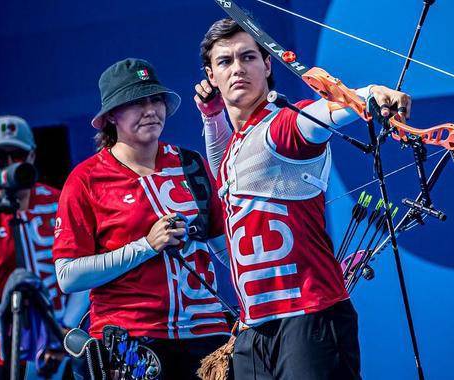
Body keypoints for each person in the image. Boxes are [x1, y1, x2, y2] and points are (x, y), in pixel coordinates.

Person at [194, 18, 413, 379]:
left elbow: (320, 114)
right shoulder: (236, 143)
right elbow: (223, 170)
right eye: (225, 61)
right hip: (252, 329)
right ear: (211, 75)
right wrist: (211, 116)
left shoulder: (283, 125)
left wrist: (370, 94)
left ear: (267, 65)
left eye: (248, 57)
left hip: (308, 319)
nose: (238, 69)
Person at [52, 58, 231, 379]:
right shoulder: (86, 179)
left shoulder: (190, 163)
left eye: (154, 99)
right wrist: (146, 245)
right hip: (132, 344)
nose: (150, 109)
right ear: (110, 117)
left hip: (207, 336)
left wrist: (291, 276)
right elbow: (68, 276)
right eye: (136, 102)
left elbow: (225, 250)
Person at [0, 115, 90, 380]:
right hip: (4, 352)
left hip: (65, 345)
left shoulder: (61, 201)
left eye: (18, 154)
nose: (10, 164)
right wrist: (34, 332)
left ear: (32, 156)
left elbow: (83, 274)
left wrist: (63, 330)